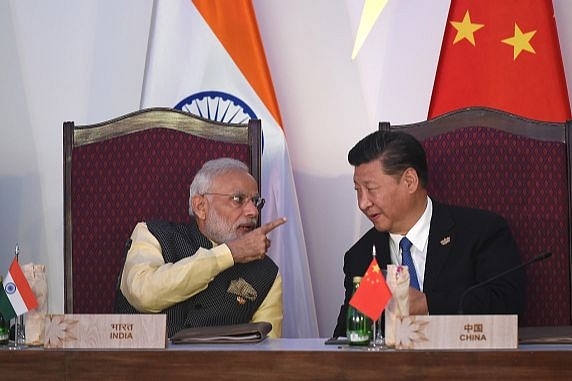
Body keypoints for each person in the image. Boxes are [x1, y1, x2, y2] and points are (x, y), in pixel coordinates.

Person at [333, 130, 525, 338]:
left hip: (470, 364)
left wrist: (427, 304)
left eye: (371, 189)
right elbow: (347, 337)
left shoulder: (480, 232)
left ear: (409, 181)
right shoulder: (362, 256)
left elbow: (508, 302)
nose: (363, 203)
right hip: (392, 369)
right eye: (357, 190)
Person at [115, 157, 287, 338]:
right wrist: (230, 253)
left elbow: (267, 353)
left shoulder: (266, 273)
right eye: (238, 199)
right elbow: (144, 295)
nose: (253, 211)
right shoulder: (152, 234)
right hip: (140, 364)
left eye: (256, 201)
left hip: (221, 366)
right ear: (200, 206)